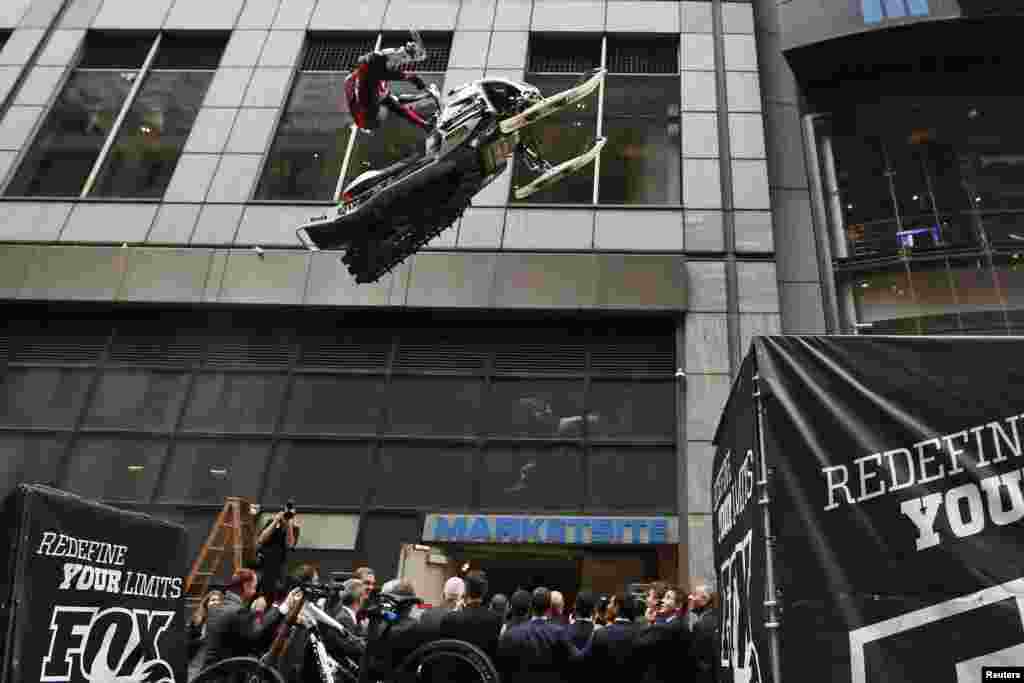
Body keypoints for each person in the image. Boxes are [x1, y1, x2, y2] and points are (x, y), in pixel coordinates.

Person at [202, 568, 302, 669]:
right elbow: (257, 638)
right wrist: (283, 606)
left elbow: (235, 636)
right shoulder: (238, 612)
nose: (255, 592)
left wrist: (253, 613)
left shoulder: (215, 609)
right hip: (224, 675)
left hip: (207, 673)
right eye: (254, 587)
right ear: (246, 586)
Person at [344, 32, 433, 134]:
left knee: (395, 102)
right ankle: (424, 102)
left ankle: (425, 120)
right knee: (394, 101)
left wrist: (424, 125)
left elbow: (380, 72)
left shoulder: (373, 87)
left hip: (366, 111)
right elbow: (379, 71)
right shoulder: (361, 82)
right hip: (365, 114)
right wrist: (409, 76)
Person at [496, 587, 581, 683]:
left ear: (531, 606)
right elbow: (577, 660)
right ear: (549, 608)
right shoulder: (560, 633)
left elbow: (502, 668)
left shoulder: (511, 634)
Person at [440, 570, 503, 663]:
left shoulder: (450, 619)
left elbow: (443, 653)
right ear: (485, 591)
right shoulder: (496, 619)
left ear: (465, 590)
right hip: (484, 675)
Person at [582, 593, 641, 678]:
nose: (607, 606)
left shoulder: (600, 633)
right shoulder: (641, 633)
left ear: (617, 607)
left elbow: (584, 659)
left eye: (610, 603)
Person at [256, 504, 300, 603]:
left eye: (290, 514)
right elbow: (261, 539)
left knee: (277, 591)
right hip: (264, 562)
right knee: (259, 589)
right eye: (286, 513)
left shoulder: (294, 528)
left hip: (279, 565)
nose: (287, 515)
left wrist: (289, 524)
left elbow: (290, 544)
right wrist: (276, 520)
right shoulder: (272, 522)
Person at [187, 590, 223, 680]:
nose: (216, 602)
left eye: (218, 600)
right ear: (206, 603)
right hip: (194, 663)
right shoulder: (197, 620)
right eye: (213, 600)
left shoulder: (224, 621)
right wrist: (200, 640)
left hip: (211, 665)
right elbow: (187, 641)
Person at [689, 586, 720, 683]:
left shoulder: (701, 625)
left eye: (694, 595)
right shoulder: (717, 617)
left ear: (705, 600)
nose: (690, 597)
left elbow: (700, 661)